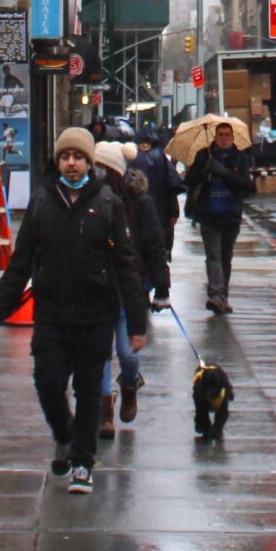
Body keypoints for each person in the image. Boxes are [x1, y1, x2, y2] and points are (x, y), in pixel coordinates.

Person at [0, 127, 146, 493]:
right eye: (65, 157)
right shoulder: (43, 202)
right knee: (47, 382)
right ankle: (65, 434)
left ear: (89, 162)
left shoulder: (108, 203)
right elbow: (21, 260)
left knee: (90, 389)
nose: (71, 164)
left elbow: (126, 265)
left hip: (94, 315)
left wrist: (137, 323)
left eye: (77, 157)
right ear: (57, 161)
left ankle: (83, 463)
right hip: (52, 315)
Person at [92, 143, 167, 430]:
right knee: (99, 353)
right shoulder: (91, 200)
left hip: (130, 287)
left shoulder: (140, 203)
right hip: (98, 285)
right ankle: (104, 410)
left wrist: (161, 286)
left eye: (102, 169)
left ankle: (129, 385)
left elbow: (154, 245)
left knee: (127, 352)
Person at [187, 119, 251, 314]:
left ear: (232, 138)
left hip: (230, 214)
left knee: (225, 257)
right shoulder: (204, 155)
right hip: (209, 214)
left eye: (227, 135)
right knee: (213, 255)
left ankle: (223, 296)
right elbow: (189, 181)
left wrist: (224, 173)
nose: (223, 139)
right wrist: (203, 170)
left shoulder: (240, 158)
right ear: (215, 137)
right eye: (220, 135)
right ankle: (215, 294)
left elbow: (246, 185)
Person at [132, 127, 182, 308]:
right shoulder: (160, 158)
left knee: (143, 252)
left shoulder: (133, 159)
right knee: (156, 252)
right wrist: (173, 211)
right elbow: (172, 186)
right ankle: (156, 290)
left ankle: (145, 291)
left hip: (142, 214)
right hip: (158, 214)